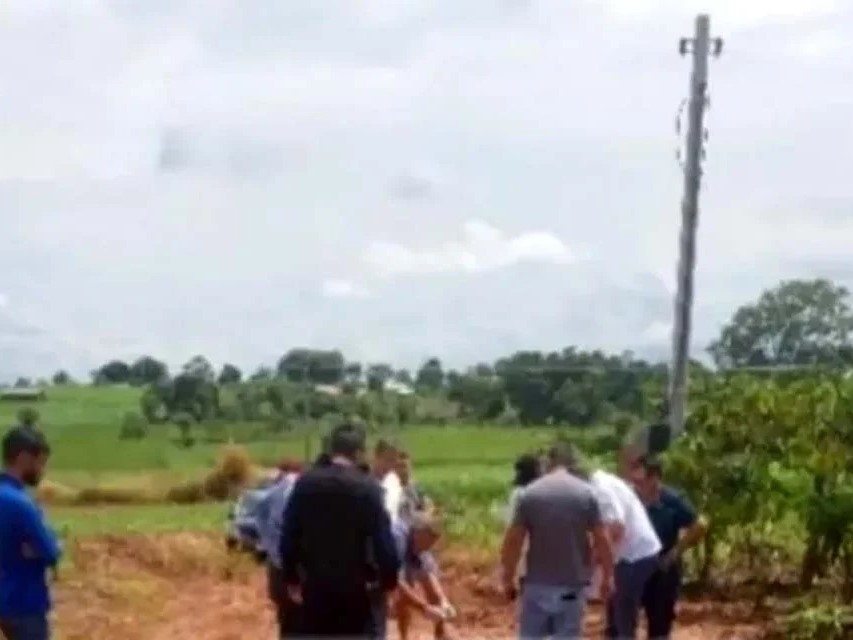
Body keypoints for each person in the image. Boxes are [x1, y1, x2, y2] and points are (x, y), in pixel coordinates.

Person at [278, 424, 400, 638]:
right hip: (357, 593)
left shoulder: (305, 483)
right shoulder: (368, 488)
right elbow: (384, 544)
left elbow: (288, 535)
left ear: (331, 450)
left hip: (314, 589)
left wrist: (291, 577)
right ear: (359, 453)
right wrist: (390, 582)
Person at [501, 441, 614, 640]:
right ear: (571, 464)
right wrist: (608, 576)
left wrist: (507, 577)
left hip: (537, 585)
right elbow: (602, 538)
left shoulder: (530, 494)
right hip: (572, 586)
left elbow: (514, 540)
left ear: (548, 463)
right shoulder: (586, 494)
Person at [583, 457, 662, 640]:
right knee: (615, 612)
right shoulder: (601, 482)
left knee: (623, 618)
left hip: (635, 556)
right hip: (631, 554)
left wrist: (595, 559)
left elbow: (616, 528)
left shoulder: (600, 489)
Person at [630, 456, 707, 639]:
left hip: (662, 569)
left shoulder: (672, 500)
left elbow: (700, 524)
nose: (637, 483)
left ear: (655, 477)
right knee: (623, 624)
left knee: (660, 625)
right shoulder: (630, 498)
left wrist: (675, 552)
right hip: (634, 568)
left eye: (642, 479)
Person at [0, 427, 61, 640]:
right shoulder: (22, 504)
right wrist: (50, 542)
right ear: (24, 458)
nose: (42, 470)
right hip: (24, 604)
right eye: (40, 463)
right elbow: (50, 552)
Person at [257, 459, 304, 638]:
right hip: (300, 567)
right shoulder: (304, 491)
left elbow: (260, 516)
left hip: (278, 565)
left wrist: (267, 542)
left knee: (285, 619)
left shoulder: (272, 493)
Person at [392, 513, 456, 640]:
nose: (428, 548)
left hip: (402, 559)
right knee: (402, 593)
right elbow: (396, 581)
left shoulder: (422, 546)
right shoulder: (397, 538)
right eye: (427, 543)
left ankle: (441, 634)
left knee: (409, 589)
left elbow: (429, 577)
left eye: (432, 544)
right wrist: (425, 608)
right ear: (418, 533)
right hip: (369, 564)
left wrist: (443, 601)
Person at [396, 449, 433, 523]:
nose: (404, 471)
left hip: (417, 523)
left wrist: (426, 515)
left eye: (405, 466)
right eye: (400, 467)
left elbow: (428, 505)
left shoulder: (416, 487)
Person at [372, 439, 403, 524]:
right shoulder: (363, 482)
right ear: (376, 457)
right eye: (387, 460)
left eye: (393, 461)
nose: (390, 465)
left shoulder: (394, 481)